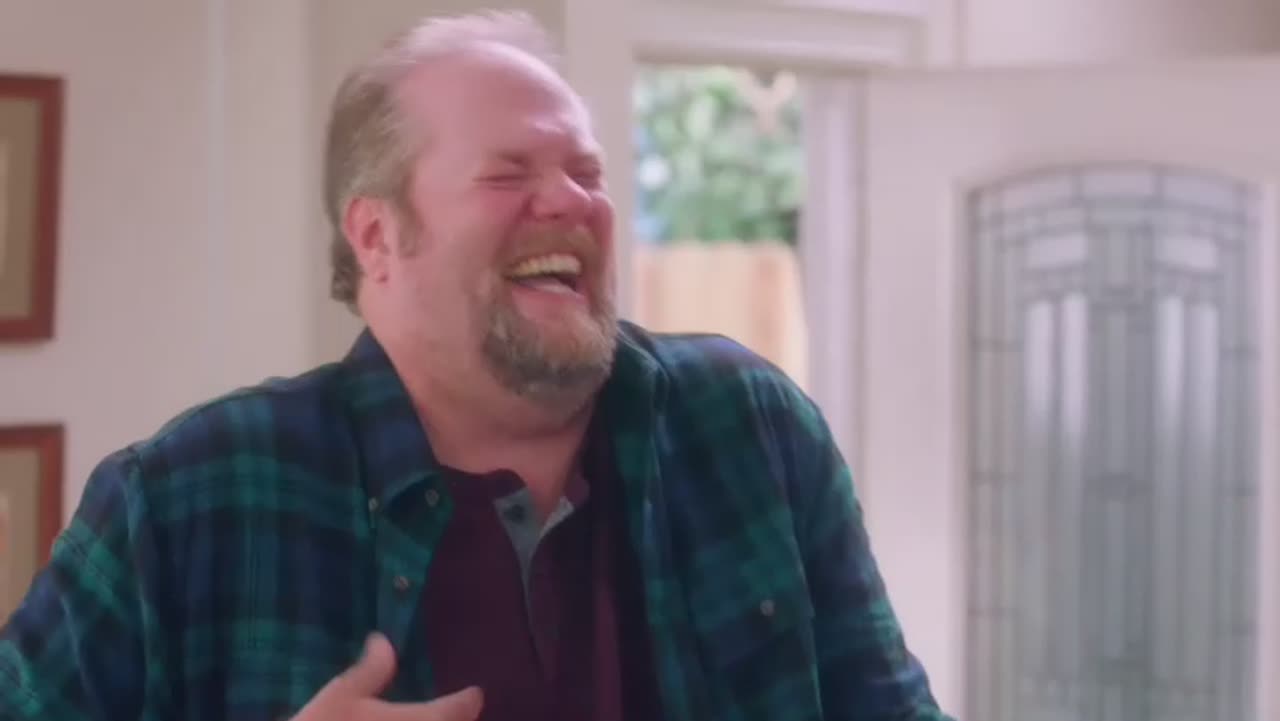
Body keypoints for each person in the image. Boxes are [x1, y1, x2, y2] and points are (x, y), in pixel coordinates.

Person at [0, 10, 954, 721]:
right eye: (508, 173)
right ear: (377, 235)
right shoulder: (186, 501)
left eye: (588, 172)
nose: (572, 201)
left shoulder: (750, 429)